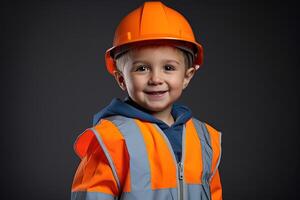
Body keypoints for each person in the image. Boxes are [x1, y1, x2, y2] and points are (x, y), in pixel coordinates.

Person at [71, 1, 222, 200]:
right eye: (142, 68)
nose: (156, 79)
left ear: (187, 76)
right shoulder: (110, 140)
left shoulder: (205, 139)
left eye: (168, 68)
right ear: (121, 79)